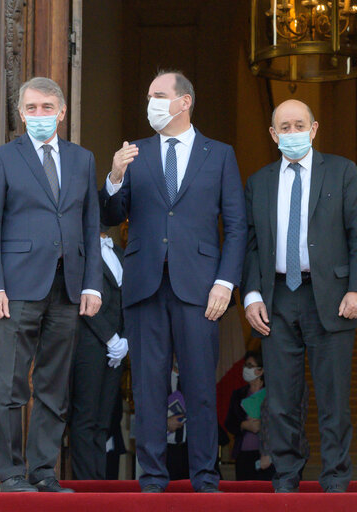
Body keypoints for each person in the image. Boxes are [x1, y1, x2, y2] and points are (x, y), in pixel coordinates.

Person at [100, 70, 247, 493]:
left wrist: (225, 282)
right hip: (145, 284)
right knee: (148, 387)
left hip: (201, 289)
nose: (151, 102)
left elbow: (235, 227)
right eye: (149, 95)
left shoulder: (218, 155)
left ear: (184, 102)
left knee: (201, 384)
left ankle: (204, 477)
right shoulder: (134, 153)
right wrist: (113, 177)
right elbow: (111, 216)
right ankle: (153, 479)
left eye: (159, 95)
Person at [241, 99, 357, 493]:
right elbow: (250, 245)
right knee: (281, 399)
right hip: (278, 297)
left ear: (314, 130)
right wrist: (250, 295)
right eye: (285, 126)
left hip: (332, 297)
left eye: (300, 124)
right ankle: (286, 476)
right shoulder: (259, 182)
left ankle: (334, 477)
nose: (293, 132)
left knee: (333, 398)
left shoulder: (342, 172)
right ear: (273, 133)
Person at [0, 77, 102, 493]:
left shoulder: (82, 160)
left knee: (53, 385)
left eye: (47, 108)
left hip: (67, 288)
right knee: (9, 384)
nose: (39, 116)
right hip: (16, 289)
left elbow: (90, 225)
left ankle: (44, 471)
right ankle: (12, 473)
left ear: (62, 112)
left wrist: (92, 285)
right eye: (31, 108)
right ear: (21, 113)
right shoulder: (2, 159)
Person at [69, 227, 128, 480]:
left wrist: (125, 339)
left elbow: (129, 298)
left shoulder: (122, 253)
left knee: (105, 420)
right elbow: (83, 299)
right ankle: (85, 483)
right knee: (85, 418)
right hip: (89, 344)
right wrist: (110, 338)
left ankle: (100, 480)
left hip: (117, 350)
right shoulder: (82, 252)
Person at [224, 351, 275, 481]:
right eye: (245, 366)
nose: (246, 369)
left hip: (267, 455)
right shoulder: (238, 394)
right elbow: (229, 422)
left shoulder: (272, 394)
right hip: (243, 454)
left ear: (261, 370)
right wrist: (244, 425)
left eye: (250, 366)